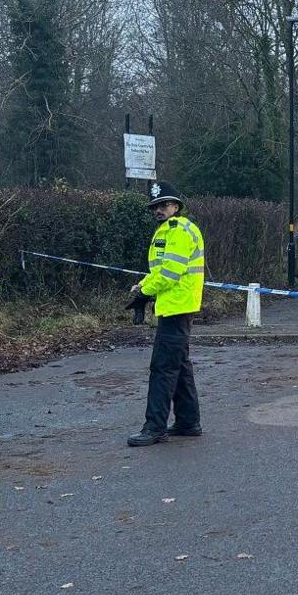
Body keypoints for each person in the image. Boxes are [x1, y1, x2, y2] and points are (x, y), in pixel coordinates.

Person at [127, 181, 207, 447]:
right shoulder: (171, 230)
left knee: (162, 368)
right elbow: (163, 270)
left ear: (176, 206)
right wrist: (144, 286)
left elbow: (171, 273)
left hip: (176, 306)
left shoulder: (179, 231)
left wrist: (144, 291)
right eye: (156, 206)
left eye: (164, 205)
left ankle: (154, 427)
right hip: (176, 305)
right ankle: (187, 421)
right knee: (179, 365)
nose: (158, 210)